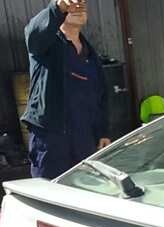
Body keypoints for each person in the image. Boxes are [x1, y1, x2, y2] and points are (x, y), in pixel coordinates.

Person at [23, 0, 111, 179]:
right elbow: (32, 34)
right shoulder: (45, 46)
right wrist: (58, 7)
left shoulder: (90, 56)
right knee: (49, 193)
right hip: (52, 139)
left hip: (84, 137)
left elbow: (100, 97)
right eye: (72, 7)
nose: (78, 8)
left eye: (82, 7)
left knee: (84, 189)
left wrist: (102, 132)